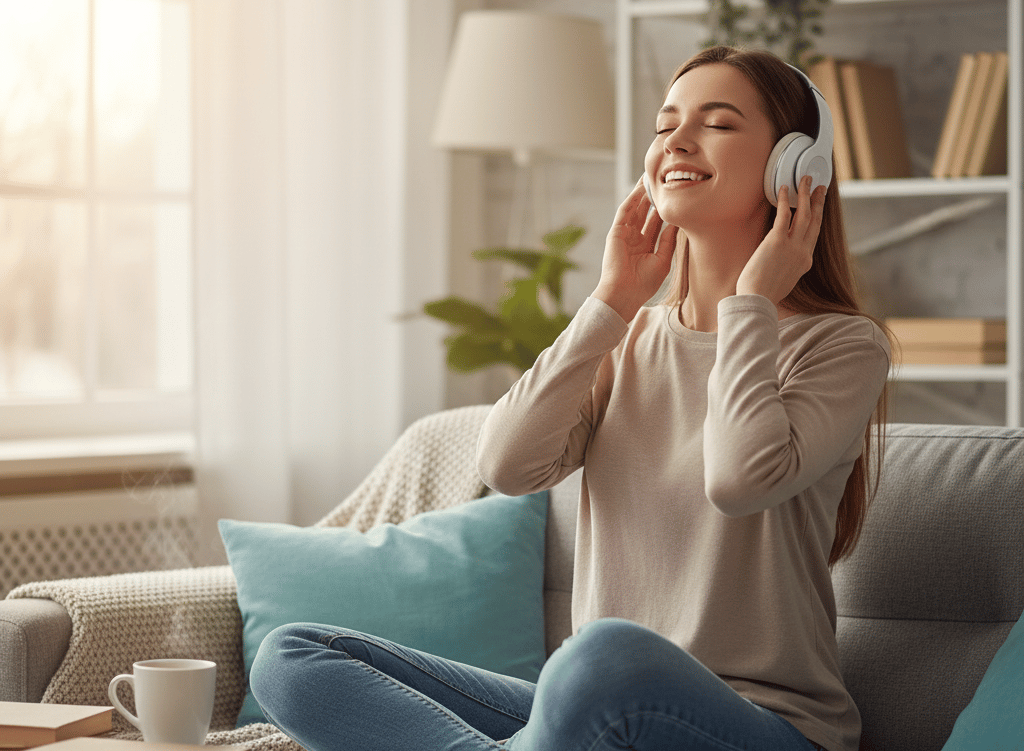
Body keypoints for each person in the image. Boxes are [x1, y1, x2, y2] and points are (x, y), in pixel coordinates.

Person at [249, 45, 892, 751]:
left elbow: (739, 479)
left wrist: (751, 307)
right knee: (293, 655)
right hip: (595, 706)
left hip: (759, 725)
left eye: (717, 123)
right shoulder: (628, 336)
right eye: (665, 123)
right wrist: (610, 300)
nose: (675, 140)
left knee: (602, 657)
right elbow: (506, 464)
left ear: (795, 168)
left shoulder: (844, 347)